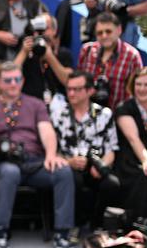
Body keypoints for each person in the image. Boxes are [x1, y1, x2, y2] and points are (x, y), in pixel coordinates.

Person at [0, 63, 74, 248]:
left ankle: (63, 233)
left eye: (17, 79)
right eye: (8, 80)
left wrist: (51, 155)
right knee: (9, 173)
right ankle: (0, 231)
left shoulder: (35, 104)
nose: (13, 84)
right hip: (5, 163)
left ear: (23, 81)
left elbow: (47, 131)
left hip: (34, 161)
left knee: (63, 171)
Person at [49, 71, 119, 229]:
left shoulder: (104, 114)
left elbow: (111, 149)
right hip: (69, 164)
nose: (71, 93)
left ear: (90, 91)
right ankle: (75, 224)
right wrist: (68, 162)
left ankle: (96, 226)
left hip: (95, 163)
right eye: (69, 89)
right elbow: (52, 149)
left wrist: (102, 166)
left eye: (77, 89)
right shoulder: (59, 114)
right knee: (72, 179)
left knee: (111, 184)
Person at [76, 12, 142, 110]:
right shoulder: (87, 51)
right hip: (88, 114)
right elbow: (77, 82)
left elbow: (138, 93)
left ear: (119, 30)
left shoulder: (131, 56)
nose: (104, 36)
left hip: (118, 117)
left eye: (108, 31)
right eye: (99, 33)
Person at [112, 68, 147, 222]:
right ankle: (138, 223)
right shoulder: (124, 108)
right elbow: (134, 139)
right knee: (144, 176)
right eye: (138, 84)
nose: (141, 89)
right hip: (131, 161)